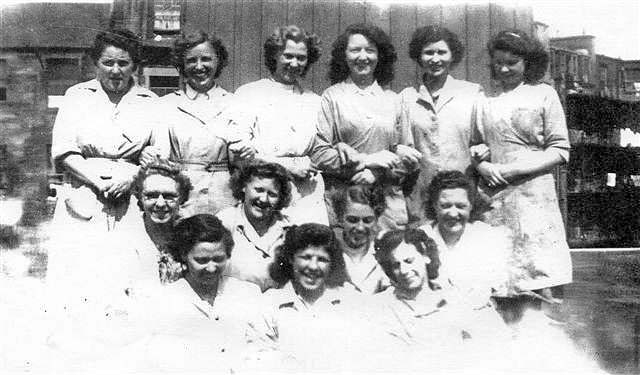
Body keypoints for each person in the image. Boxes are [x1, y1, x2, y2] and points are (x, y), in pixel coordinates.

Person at [47, 28, 158, 295]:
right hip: (84, 190)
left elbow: (157, 152)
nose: (116, 71)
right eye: (108, 63)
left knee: (128, 272)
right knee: (81, 274)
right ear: (96, 63)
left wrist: (131, 177)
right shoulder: (77, 96)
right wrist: (98, 182)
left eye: (123, 63)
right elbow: (63, 150)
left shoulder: (150, 101)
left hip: (129, 195)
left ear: (135, 65)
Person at [471, 29, 572, 301]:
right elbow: (476, 146)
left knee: (540, 277)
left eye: (512, 62)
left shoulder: (543, 95)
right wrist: (484, 168)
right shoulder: (485, 100)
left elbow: (560, 150)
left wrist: (514, 170)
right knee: (500, 281)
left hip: (535, 196)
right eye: (498, 62)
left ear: (528, 63)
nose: (504, 68)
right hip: (495, 196)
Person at [309, 23, 421, 230]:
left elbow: (409, 159)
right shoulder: (332, 97)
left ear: (380, 56)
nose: (363, 57)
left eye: (370, 50)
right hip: (344, 198)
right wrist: (367, 161)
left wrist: (376, 174)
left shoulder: (393, 100)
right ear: (344, 55)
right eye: (355, 50)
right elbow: (319, 154)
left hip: (387, 203)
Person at [372, 229, 511, 372]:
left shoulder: (455, 296)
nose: (404, 270)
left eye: (409, 261)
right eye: (396, 265)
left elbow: (498, 340)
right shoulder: (385, 306)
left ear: (425, 256)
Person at [151, 30, 255, 219]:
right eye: (191, 61)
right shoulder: (166, 105)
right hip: (182, 196)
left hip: (224, 196)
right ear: (182, 65)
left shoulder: (235, 103)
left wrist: (245, 154)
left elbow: (239, 161)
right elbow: (161, 158)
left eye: (206, 59)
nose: (199, 67)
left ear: (218, 61)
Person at [233, 25, 328, 225]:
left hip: (307, 191)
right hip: (265, 188)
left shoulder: (316, 101)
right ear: (275, 55)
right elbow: (238, 154)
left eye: (301, 57)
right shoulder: (249, 94)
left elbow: (323, 148)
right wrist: (285, 166)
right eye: (288, 56)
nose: (294, 63)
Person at [400, 25, 484, 224]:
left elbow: (483, 141)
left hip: (462, 196)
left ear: (452, 55)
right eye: (428, 53)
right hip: (421, 196)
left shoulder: (471, 94)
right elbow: (400, 143)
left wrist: (482, 149)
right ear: (419, 57)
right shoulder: (406, 97)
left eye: (441, 52)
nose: (435, 59)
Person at [261, 223, 371, 372]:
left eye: (322, 260)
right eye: (306, 257)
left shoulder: (351, 301)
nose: (313, 267)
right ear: (291, 258)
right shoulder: (269, 305)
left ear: (332, 264)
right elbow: (259, 362)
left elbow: (362, 359)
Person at [418, 170, 511, 306]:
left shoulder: (487, 236)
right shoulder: (420, 238)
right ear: (434, 205)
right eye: (445, 206)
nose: (453, 213)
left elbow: (498, 284)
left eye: (461, 206)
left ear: (471, 205)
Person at [216, 160, 293, 291]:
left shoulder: (290, 228)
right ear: (244, 187)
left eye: (272, 194)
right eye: (258, 190)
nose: (264, 199)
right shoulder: (224, 222)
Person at [130, 158, 193, 284]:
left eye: (169, 197)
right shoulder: (127, 240)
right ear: (140, 198)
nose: (160, 204)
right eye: (151, 196)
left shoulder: (191, 238)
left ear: (182, 199)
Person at [332, 184, 390, 294]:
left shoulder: (385, 250)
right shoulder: (328, 248)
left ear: (377, 219)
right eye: (352, 220)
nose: (360, 227)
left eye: (367, 220)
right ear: (340, 217)